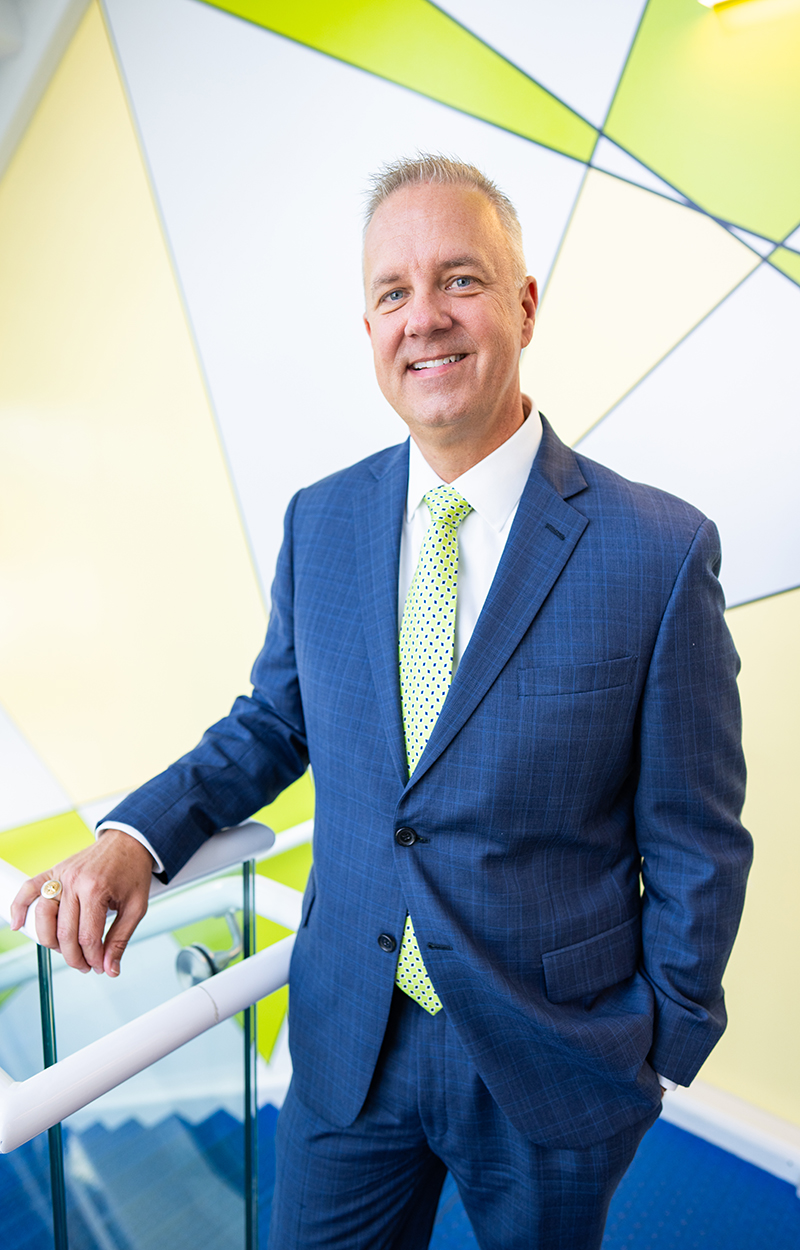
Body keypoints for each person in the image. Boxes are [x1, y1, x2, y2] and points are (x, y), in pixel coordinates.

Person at [13, 155, 752, 1249]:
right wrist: (138, 837)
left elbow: (695, 836)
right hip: (351, 1031)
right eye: (393, 292)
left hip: (554, 1053)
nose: (425, 317)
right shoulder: (324, 520)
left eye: (459, 278)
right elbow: (271, 723)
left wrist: (658, 1044)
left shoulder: (655, 549)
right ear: (367, 329)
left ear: (523, 305)